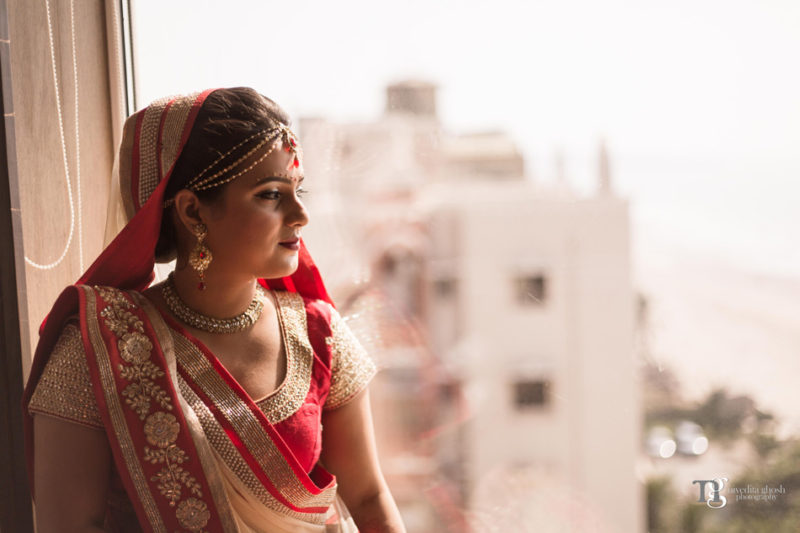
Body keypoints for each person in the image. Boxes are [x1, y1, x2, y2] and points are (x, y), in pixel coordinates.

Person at [22, 88, 407, 533]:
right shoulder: (101, 347)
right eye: (271, 195)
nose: (301, 214)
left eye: (298, 191)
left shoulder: (318, 332)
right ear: (192, 211)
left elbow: (369, 498)